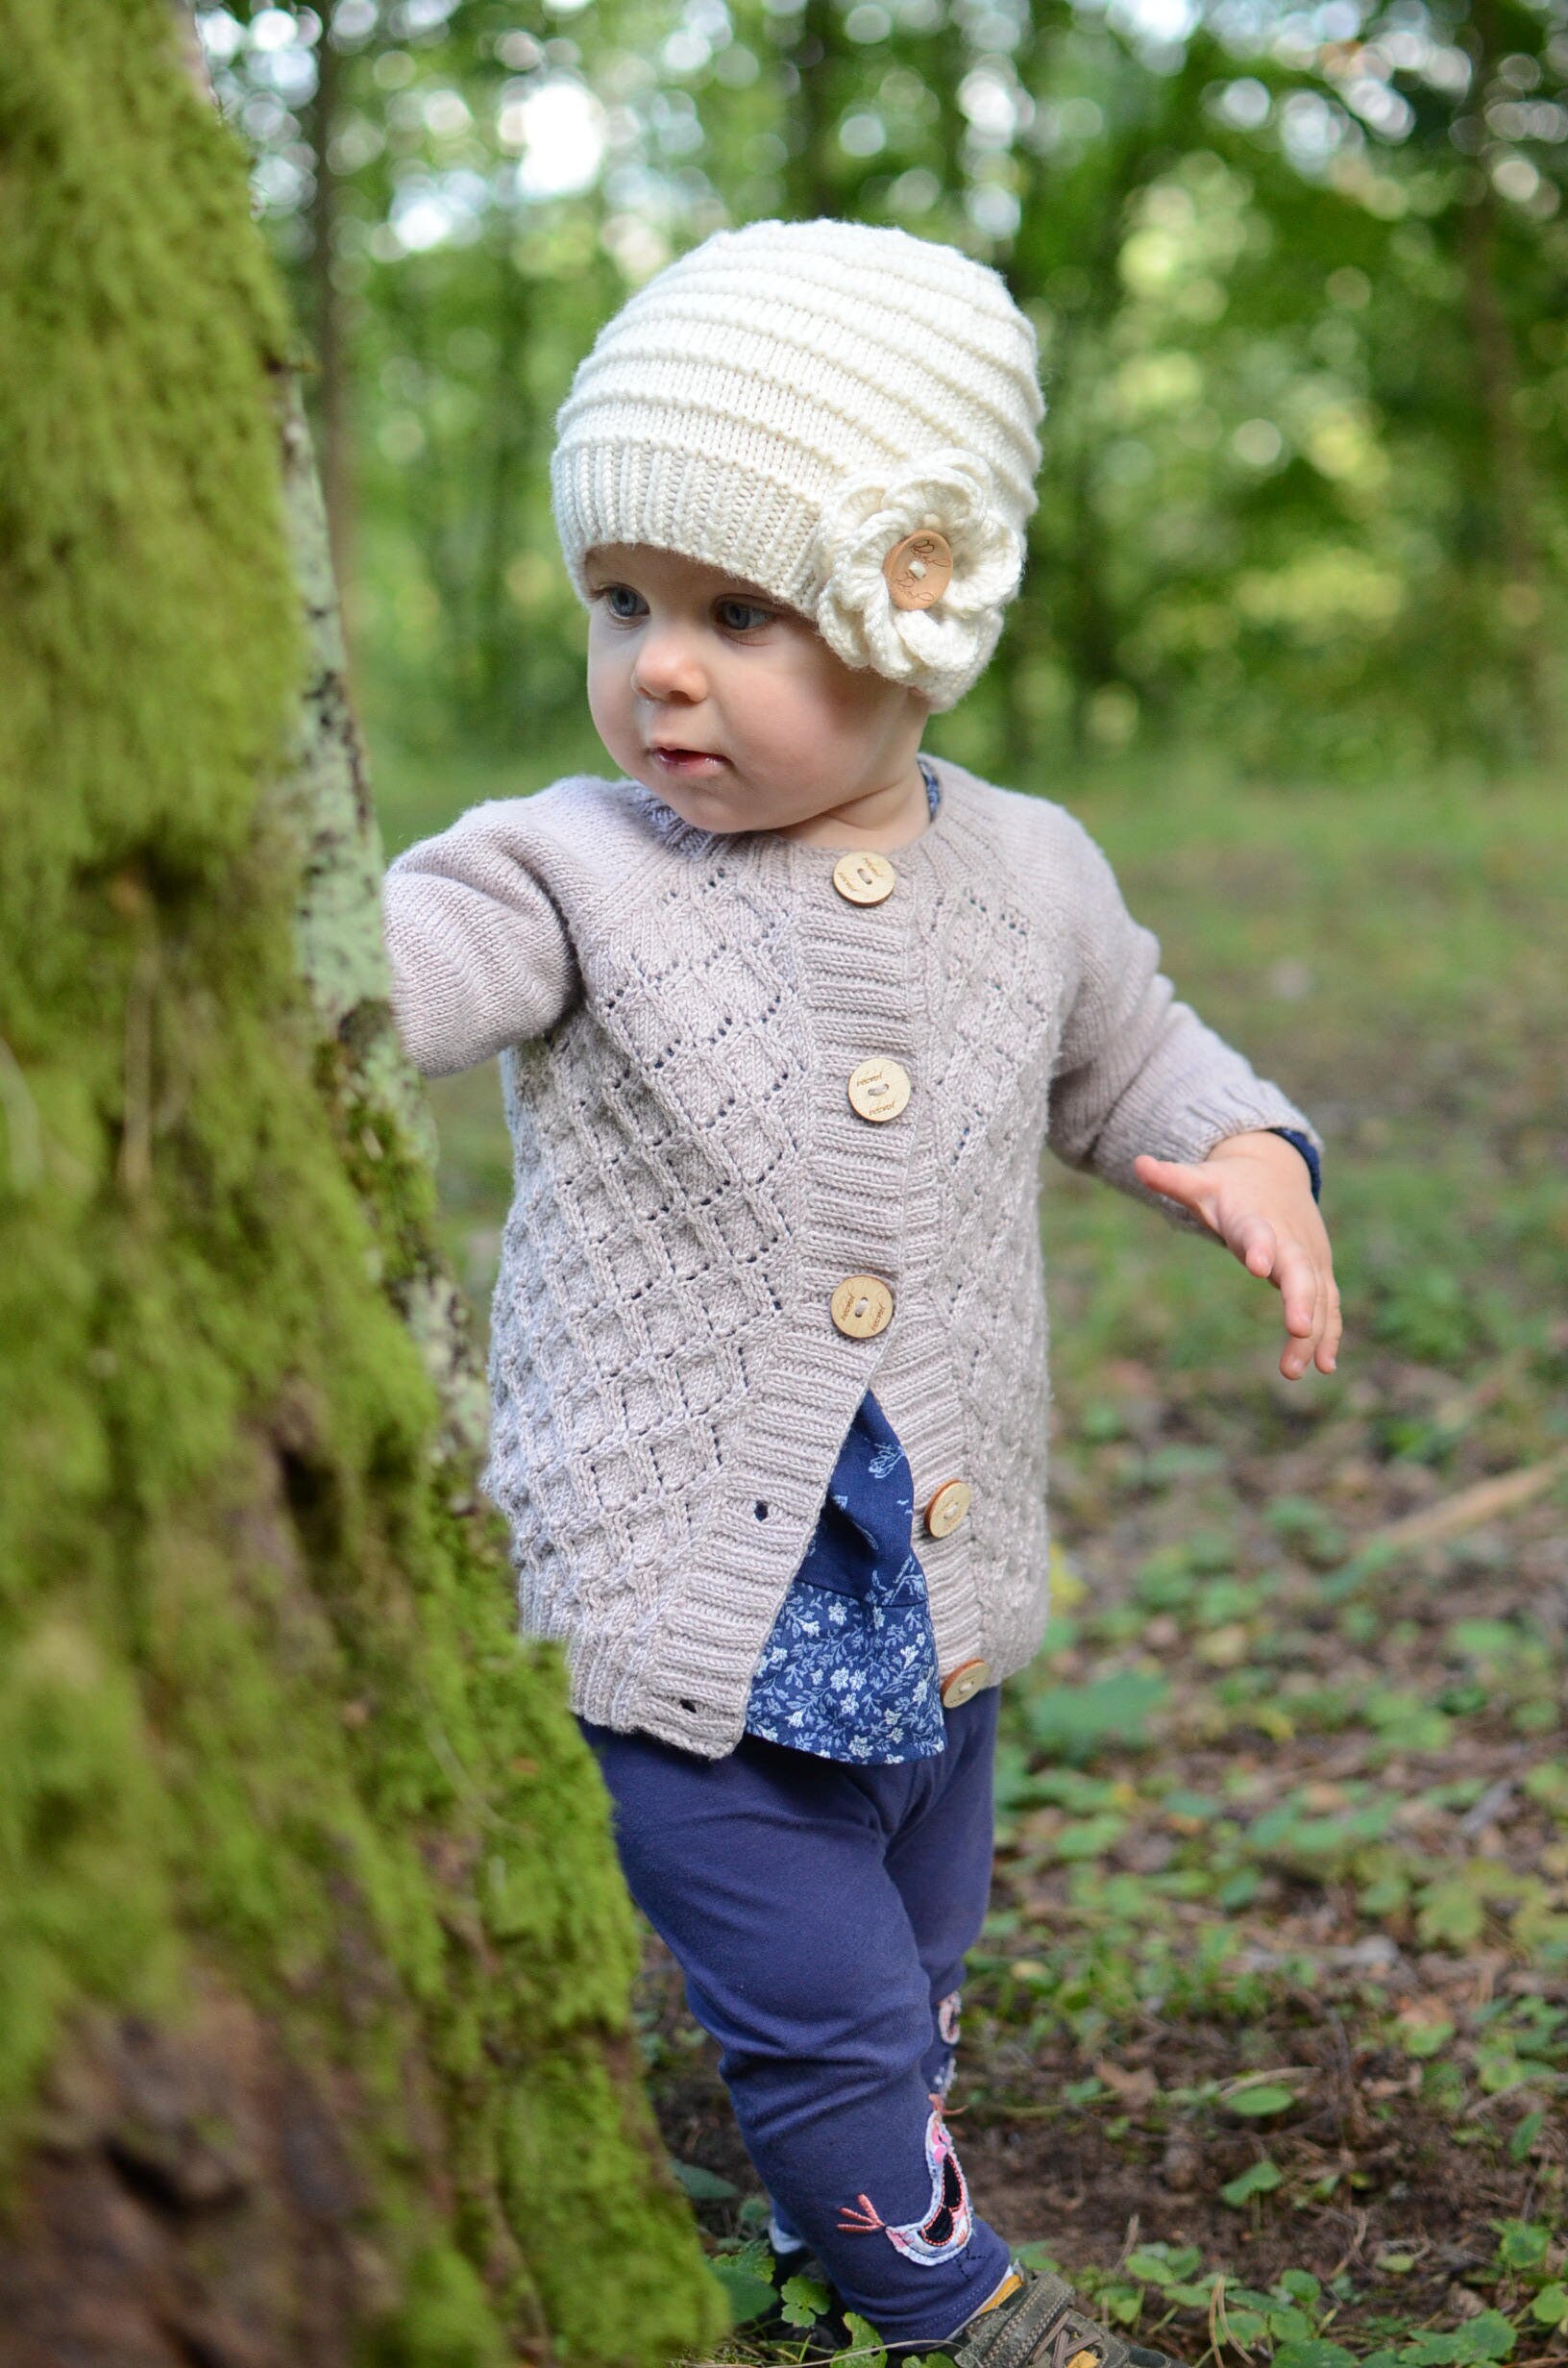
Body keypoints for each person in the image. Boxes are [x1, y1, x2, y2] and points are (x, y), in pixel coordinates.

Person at [381, 218, 1340, 2368]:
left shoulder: (1036, 873)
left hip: (936, 1577)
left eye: (737, 610)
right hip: (676, 1607)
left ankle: (868, 2121)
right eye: (619, 603)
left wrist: (1254, 1148)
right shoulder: (573, 865)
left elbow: (1142, 1056)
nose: (661, 670)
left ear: (924, 617)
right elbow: (415, 959)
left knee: (913, 1949)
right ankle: (938, 2288)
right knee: (819, 1987)